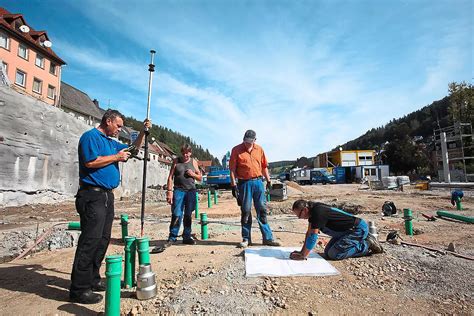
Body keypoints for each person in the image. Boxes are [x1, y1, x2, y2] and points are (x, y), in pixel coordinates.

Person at [69, 109, 151, 304]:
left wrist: (142, 133)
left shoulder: (111, 143)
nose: (119, 129)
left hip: (107, 196)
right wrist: (116, 158)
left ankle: (93, 279)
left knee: (103, 239)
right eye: (118, 126)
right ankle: (79, 289)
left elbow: (132, 150)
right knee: (90, 241)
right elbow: (90, 162)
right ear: (108, 121)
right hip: (91, 195)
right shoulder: (90, 137)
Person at [229, 129, 280, 248]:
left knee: (262, 209)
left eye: (249, 142)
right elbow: (232, 170)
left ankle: (267, 238)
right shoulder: (236, 150)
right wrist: (233, 185)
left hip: (258, 182)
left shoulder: (260, 149)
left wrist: (268, 180)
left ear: (254, 140)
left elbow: (264, 167)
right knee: (246, 211)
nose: (247, 144)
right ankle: (246, 239)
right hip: (244, 183)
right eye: (245, 141)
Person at [289, 199, 383, 261]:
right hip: (345, 231)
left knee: (334, 254)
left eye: (299, 215)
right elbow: (309, 233)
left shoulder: (318, 213)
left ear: (305, 210)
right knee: (327, 253)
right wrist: (301, 252)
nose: (299, 218)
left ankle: (367, 244)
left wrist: (303, 256)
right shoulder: (312, 212)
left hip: (356, 229)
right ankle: (362, 242)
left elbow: (313, 236)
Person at [164, 143, 202, 246]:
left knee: (188, 215)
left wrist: (193, 174)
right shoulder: (176, 161)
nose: (186, 155)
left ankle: (186, 236)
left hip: (191, 191)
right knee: (177, 213)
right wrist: (169, 192)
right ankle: (172, 237)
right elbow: (170, 177)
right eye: (184, 153)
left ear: (190, 152)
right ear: (181, 153)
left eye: (188, 153)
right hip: (178, 191)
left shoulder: (194, 162)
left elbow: (200, 177)